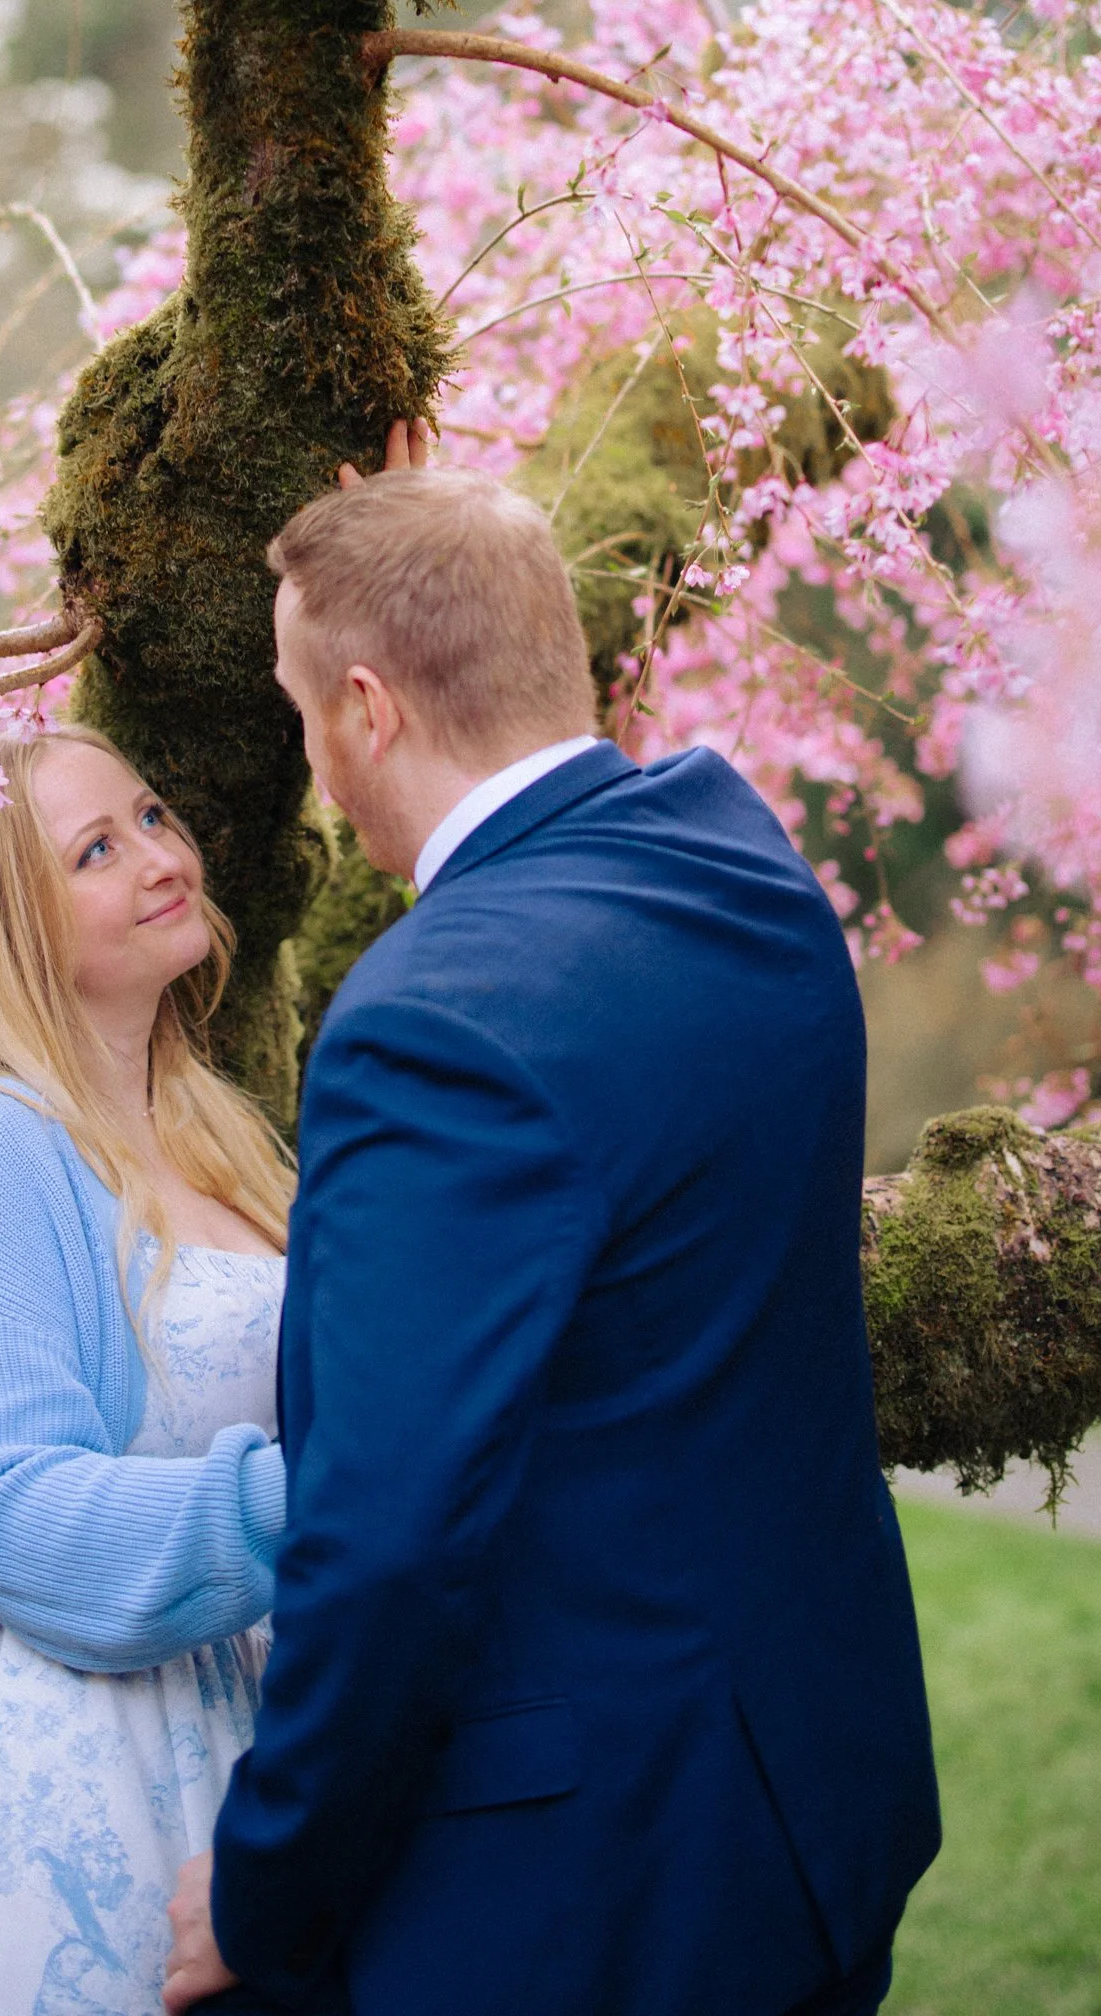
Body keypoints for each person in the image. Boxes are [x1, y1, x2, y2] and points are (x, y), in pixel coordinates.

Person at [163, 442, 940, 2016]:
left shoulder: (433, 1023)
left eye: (306, 707)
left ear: (368, 710)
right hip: (815, 1804)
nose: (311, 754)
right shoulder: (748, 875)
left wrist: (268, 1893)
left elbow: (386, 1544)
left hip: (588, 1888)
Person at [0, 724, 294, 2016]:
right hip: (89, 1755)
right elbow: (12, 1511)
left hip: (250, 1724)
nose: (159, 858)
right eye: (96, 850)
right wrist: (326, 1502)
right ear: (7, 928)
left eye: (150, 816)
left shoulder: (219, 1134)